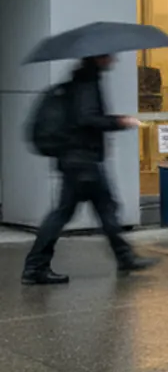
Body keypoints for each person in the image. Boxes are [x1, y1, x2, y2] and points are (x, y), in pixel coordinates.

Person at [24, 56, 157, 285]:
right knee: (76, 212)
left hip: (76, 160)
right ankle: (35, 267)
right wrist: (120, 122)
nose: (114, 60)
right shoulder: (87, 83)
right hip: (83, 162)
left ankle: (124, 257)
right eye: (109, 56)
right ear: (98, 58)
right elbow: (87, 118)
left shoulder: (81, 80)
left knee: (101, 210)